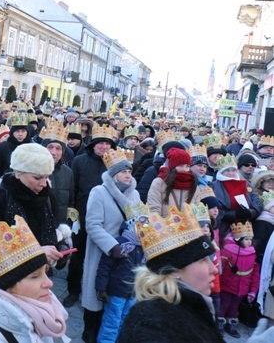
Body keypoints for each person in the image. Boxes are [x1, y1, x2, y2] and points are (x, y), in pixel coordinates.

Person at [117, 203, 223, 342]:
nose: (214, 269)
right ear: (174, 270)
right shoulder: (152, 323)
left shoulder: (194, 306)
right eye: (203, 260)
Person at [81, 147, 142, 343]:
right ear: (114, 174)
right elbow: (92, 224)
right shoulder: (99, 191)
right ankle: (90, 334)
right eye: (123, 171)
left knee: (120, 305)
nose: (127, 175)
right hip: (104, 252)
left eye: (129, 171)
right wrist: (112, 245)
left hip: (128, 257)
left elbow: (141, 221)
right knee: (97, 300)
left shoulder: (135, 195)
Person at [0, 143, 68, 267]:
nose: (44, 184)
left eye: (46, 177)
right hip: (10, 278)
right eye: (37, 178)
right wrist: (35, 252)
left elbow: (52, 231)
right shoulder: (0, 197)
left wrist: (61, 249)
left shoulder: (48, 197)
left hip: (42, 274)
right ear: (18, 173)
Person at [64, 123, 116, 309]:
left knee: (101, 260)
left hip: (107, 221)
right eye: (100, 143)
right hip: (83, 216)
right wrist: (72, 214)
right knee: (77, 258)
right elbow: (74, 189)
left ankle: (96, 291)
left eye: (107, 143)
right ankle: (73, 291)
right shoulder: (80, 161)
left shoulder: (115, 164)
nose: (104, 146)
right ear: (93, 144)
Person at [95, 202, 149, 343]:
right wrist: (101, 288)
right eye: (140, 226)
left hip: (133, 294)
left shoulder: (146, 248)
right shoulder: (119, 244)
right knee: (111, 323)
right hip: (116, 293)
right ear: (133, 225)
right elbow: (104, 267)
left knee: (126, 322)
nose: (143, 230)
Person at [219, 221, 261, 338]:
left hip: (242, 288)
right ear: (238, 239)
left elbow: (254, 274)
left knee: (234, 307)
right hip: (226, 286)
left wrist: (253, 290)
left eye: (250, 239)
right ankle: (219, 323)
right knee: (224, 304)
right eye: (246, 239)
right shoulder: (227, 251)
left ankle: (231, 324)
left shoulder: (252, 254)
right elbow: (220, 268)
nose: (249, 242)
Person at [211, 154, 263, 243]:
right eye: (227, 171)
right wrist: (234, 214)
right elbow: (215, 210)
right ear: (221, 172)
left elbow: (257, 202)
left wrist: (249, 213)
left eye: (233, 170)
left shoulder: (246, 184)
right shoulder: (214, 186)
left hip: (246, 228)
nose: (231, 173)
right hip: (224, 228)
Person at [147, 147, 202, 217]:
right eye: (181, 166)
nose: (185, 170)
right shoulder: (159, 183)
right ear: (173, 166)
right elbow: (154, 209)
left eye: (187, 166)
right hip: (165, 226)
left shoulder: (194, 186)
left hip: (188, 226)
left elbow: (196, 211)